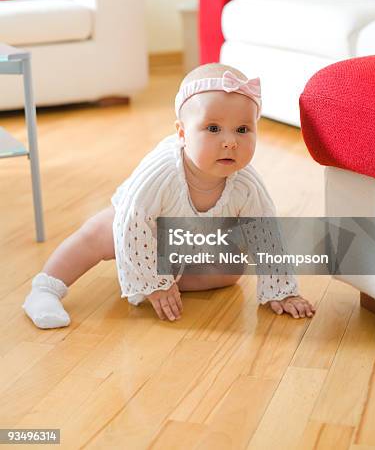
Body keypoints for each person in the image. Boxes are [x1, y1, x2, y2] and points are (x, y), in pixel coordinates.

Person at [22, 63, 316, 329]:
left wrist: (282, 290)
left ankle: (165, 276)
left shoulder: (246, 184)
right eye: (213, 128)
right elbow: (132, 221)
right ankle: (46, 289)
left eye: (242, 130)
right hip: (139, 226)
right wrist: (151, 282)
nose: (230, 142)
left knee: (231, 270)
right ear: (182, 133)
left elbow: (266, 234)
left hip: (191, 240)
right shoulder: (162, 172)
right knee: (98, 234)